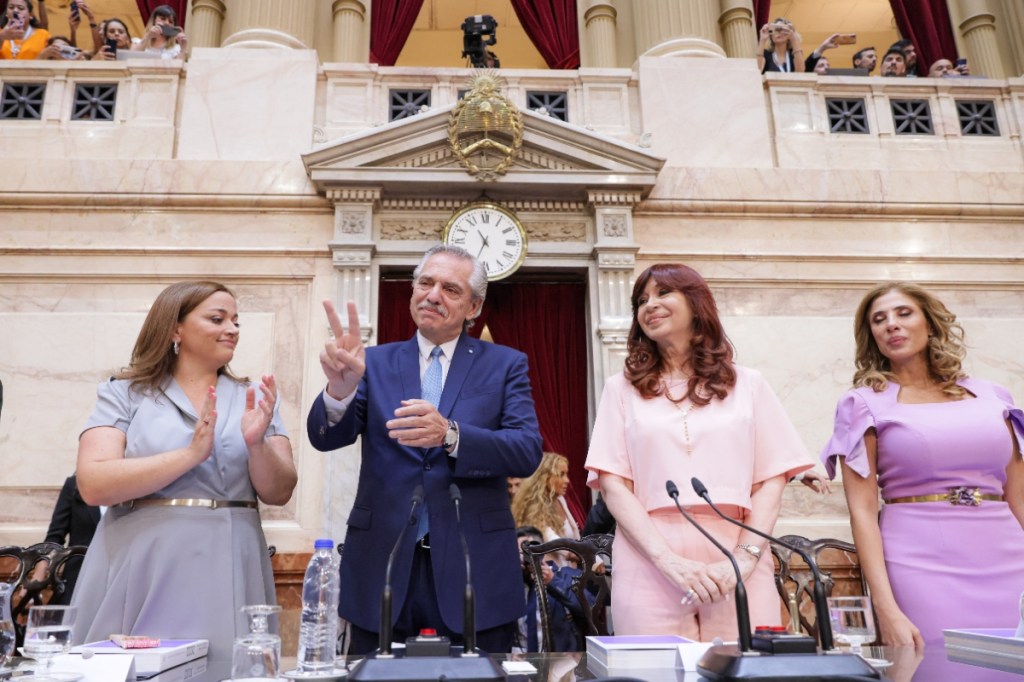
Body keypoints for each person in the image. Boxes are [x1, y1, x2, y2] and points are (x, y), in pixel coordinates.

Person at [307, 244, 543, 655]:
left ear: (474, 307)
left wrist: (451, 435)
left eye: (450, 289)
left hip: (474, 566)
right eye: (425, 283)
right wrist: (338, 393)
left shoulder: (505, 364)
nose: (433, 295)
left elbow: (525, 450)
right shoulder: (373, 363)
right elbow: (326, 437)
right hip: (383, 561)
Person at [71, 280, 297, 662]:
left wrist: (257, 443)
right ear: (175, 328)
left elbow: (279, 491)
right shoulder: (124, 393)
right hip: (144, 557)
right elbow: (93, 484)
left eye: (236, 321)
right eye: (217, 318)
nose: (232, 329)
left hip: (230, 554)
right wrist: (191, 454)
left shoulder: (253, 396)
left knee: (228, 664)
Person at [585, 263, 812, 641]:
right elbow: (612, 485)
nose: (649, 306)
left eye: (662, 293)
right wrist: (667, 561)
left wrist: (742, 560)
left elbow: (771, 480)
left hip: (738, 544)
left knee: (746, 667)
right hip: (648, 555)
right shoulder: (620, 388)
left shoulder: (749, 384)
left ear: (696, 303)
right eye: (641, 300)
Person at [821, 282, 1024, 646]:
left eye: (903, 313)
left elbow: (1020, 499)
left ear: (930, 324)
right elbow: (863, 512)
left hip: (1011, 562)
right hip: (919, 566)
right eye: (878, 320)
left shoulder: (993, 396)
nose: (891, 325)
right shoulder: (863, 404)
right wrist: (885, 606)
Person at [38, 474, 101, 604]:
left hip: (119, 578)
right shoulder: (74, 484)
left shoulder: (135, 487)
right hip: (77, 579)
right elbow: (54, 537)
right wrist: (36, 580)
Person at [512, 452, 580, 568]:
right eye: (561, 474)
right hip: (550, 577)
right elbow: (549, 537)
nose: (567, 480)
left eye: (566, 474)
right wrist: (572, 553)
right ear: (546, 477)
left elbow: (576, 538)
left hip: (570, 575)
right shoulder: (533, 506)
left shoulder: (561, 501)